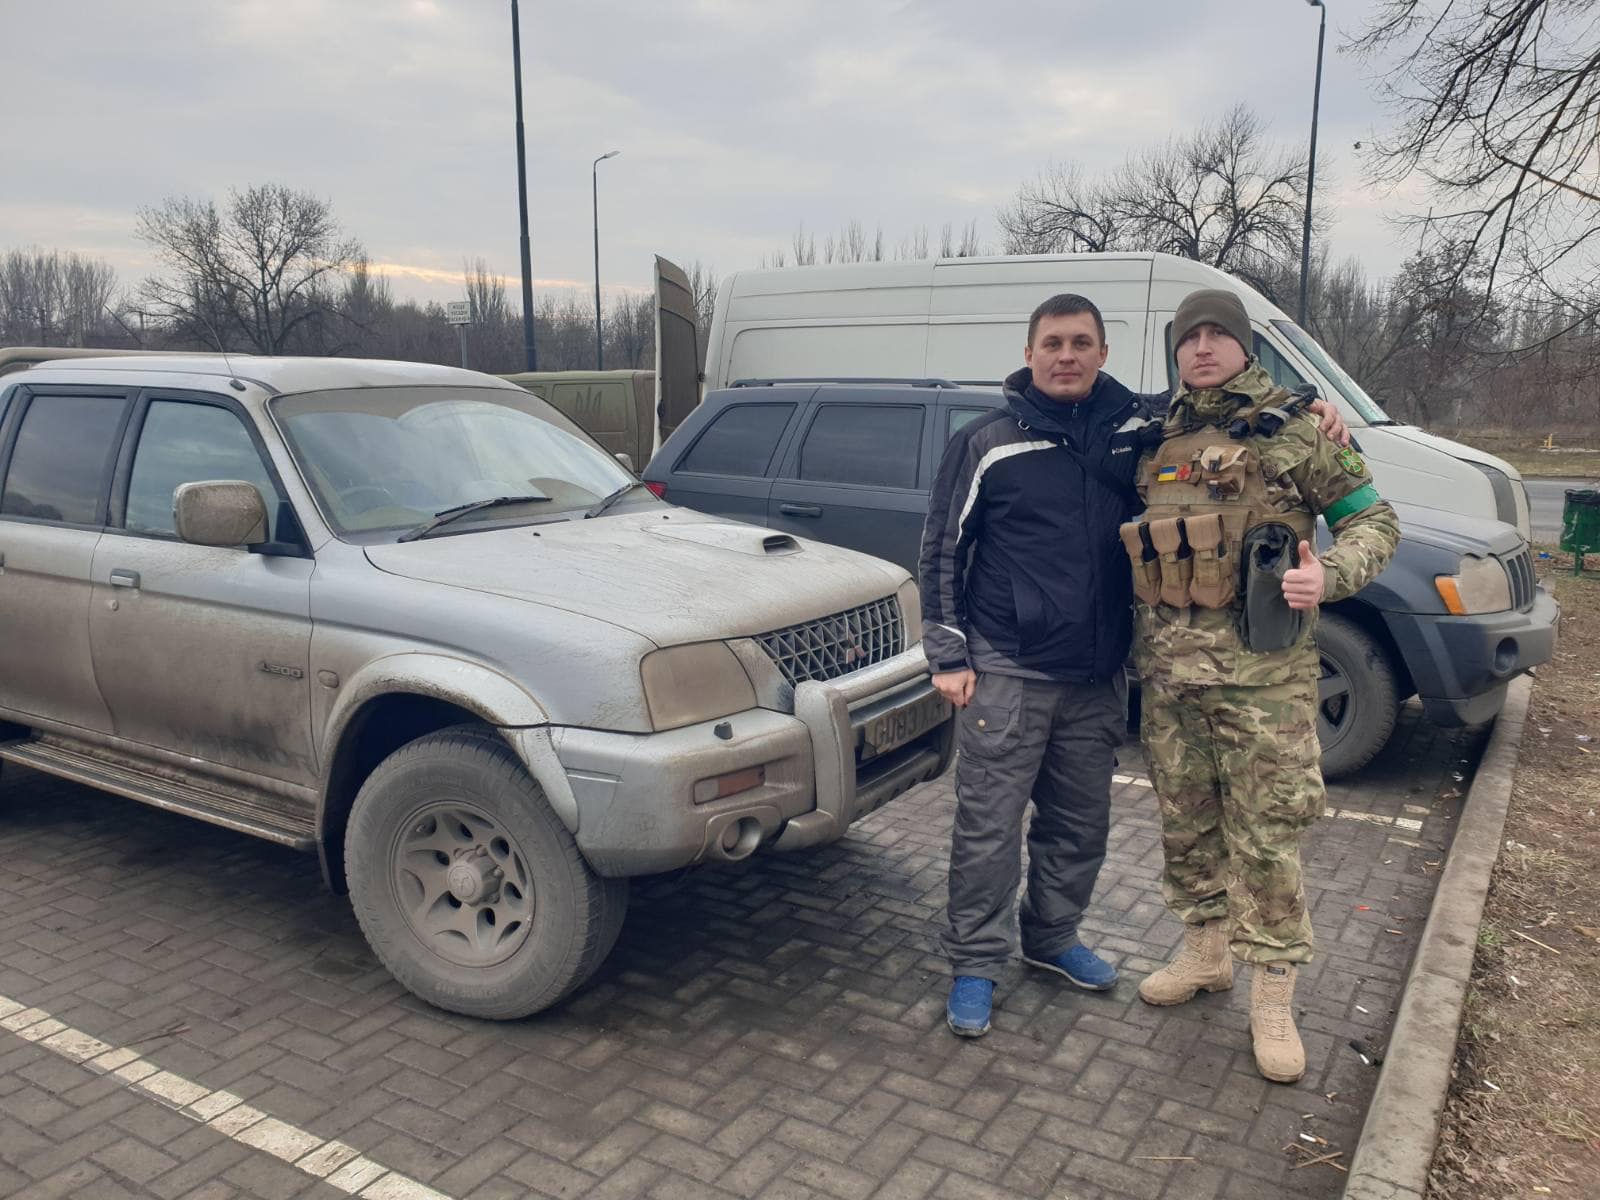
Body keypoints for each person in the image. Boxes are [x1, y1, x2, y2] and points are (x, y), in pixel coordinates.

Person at [1130, 287, 1399, 1083]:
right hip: (1173, 681)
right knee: (1187, 824)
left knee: (1268, 836)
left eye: (1219, 334)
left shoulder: (1297, 430)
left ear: (1246, 346)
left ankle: (1272, 993)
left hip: (1264, 682)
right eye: (1190, 336)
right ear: (1175, 350)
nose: (1203, 346)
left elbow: (1374, 521)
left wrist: (1334, 575)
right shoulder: (1154, 435)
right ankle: (1206, 954)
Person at [920, 294, 1144, 1037]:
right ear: (1029, 352)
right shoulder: (988, 441)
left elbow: (1226, 418)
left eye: (1082, 342)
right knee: (989, 827)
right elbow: (943, 548)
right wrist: (948, 653)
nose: (1066, 355)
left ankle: (1051, 940)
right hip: (1008, 668)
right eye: (1052, 342)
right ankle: (976, 964)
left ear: (1104, 354)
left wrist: (1316, 408)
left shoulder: (1134, 432)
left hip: (1097, 675)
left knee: (1081, 824)